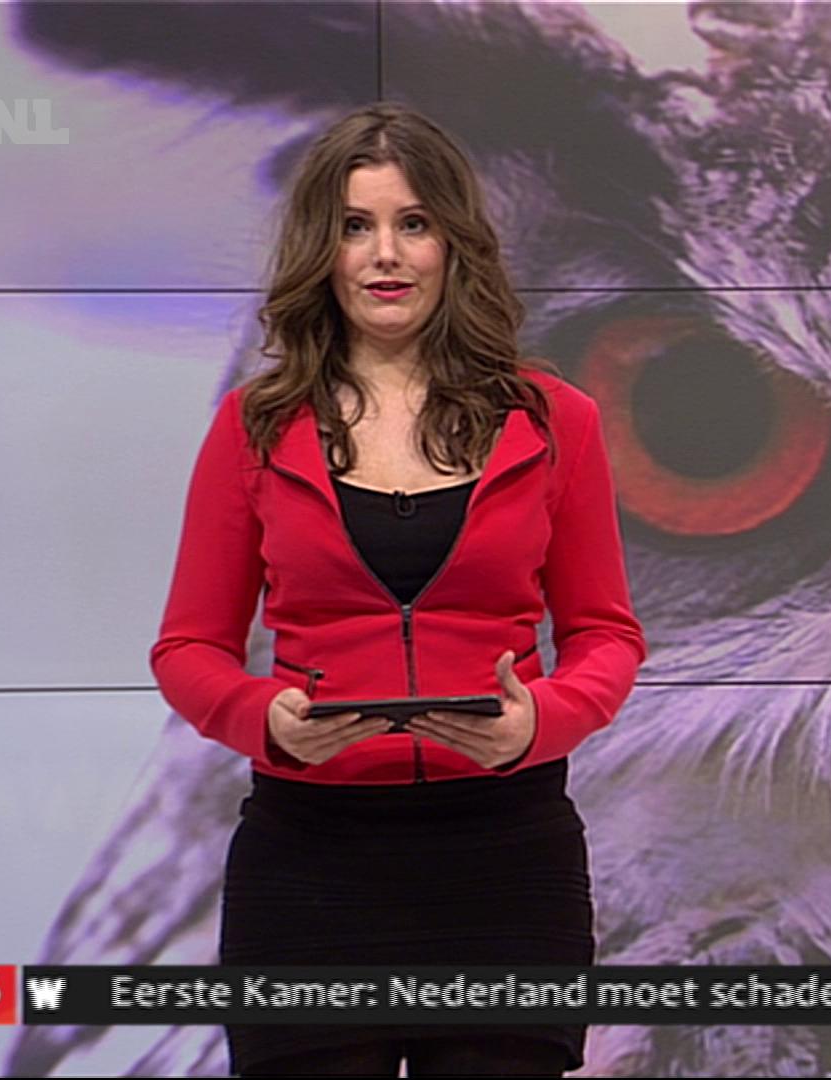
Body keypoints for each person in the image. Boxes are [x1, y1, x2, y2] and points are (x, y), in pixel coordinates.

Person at [150, 102, 646, 1077]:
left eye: (413, 223)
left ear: (454, 242)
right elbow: (188, 649)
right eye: (355, 225)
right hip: (310, 866)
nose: (386, 254)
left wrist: (541, 721)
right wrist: (263, 720)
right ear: (320, 250)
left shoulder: (558, 422)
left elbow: (606, 635)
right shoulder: (252, 428)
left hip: (506, 861)